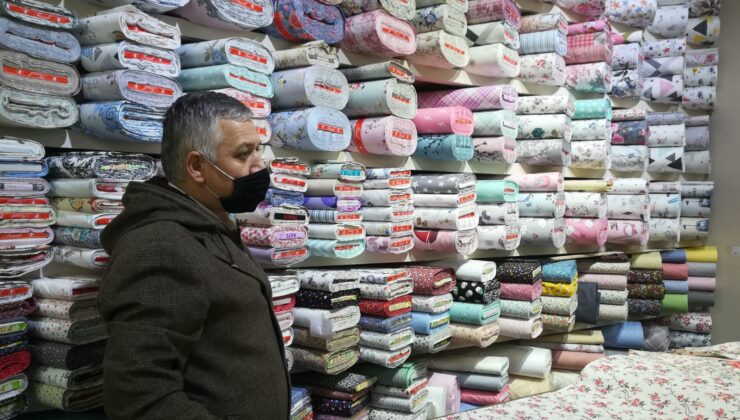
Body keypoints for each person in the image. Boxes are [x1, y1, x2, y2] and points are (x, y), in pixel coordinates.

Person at [98, 92, 290, 419]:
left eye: (258, 149)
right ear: (197, 166)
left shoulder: (211, 225)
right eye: (243, 154)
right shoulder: (160, 247)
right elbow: (140, 398)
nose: (259, 165)